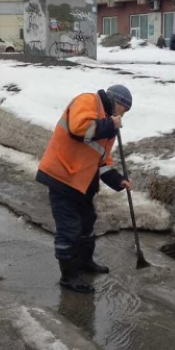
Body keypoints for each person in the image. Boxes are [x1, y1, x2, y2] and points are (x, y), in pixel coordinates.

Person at [36, 84, 133, 294]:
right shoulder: (88, 101)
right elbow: (78, 128)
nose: (121, 116)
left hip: (83, 182)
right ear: (116, 102)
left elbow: (102, 159)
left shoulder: (109, 125)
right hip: (62, 176)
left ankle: (85, 262)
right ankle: (69, 277)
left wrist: (117, 180)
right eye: (122, 110)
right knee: (69, 229)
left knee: (87, 223)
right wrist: (109, 124)